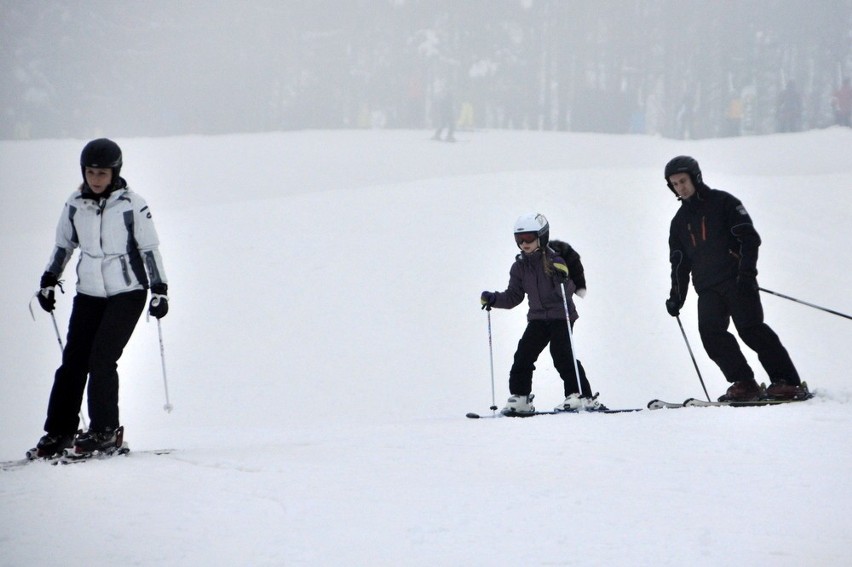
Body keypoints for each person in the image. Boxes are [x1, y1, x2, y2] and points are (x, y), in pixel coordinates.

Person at [31, 138, 169, 457]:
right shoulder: (75, 204)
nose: (95, 179)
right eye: (91, 172)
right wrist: (49, 281)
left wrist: (159, 290)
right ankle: (60, 432)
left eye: (102, 173)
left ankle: (105, 431)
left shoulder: (133, 205)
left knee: (102, 358)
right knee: (73, 361)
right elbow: (64, 246)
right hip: (89, 293)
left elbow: (149, 250)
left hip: (128, 292)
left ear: (115, 173)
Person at [663, 156, 804, 402]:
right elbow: (679, 264)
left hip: (737, 280)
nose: (680, 187)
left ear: (695, 177)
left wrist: (747, 273)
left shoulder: (723, 202)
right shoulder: (679, 223)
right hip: (707, 288)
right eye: (674, 184)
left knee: (751, 329)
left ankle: (788, 382)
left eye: (683, 181)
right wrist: (677, 297)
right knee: (710, 334)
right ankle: (744, 384)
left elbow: (749, 239)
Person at [480, 213, 604, 415]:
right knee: (523, 355)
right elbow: (514, 297)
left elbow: (568, 289)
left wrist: (562, 276)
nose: (524, 243)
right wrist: (494, 299)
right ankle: (520, 398)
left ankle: (580, 396)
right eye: (519, 239)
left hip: (561, 315)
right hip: (537, 318)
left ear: (542, 236)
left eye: (529, 238)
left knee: (562, 354)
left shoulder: (555, 259)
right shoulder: (519, 266)